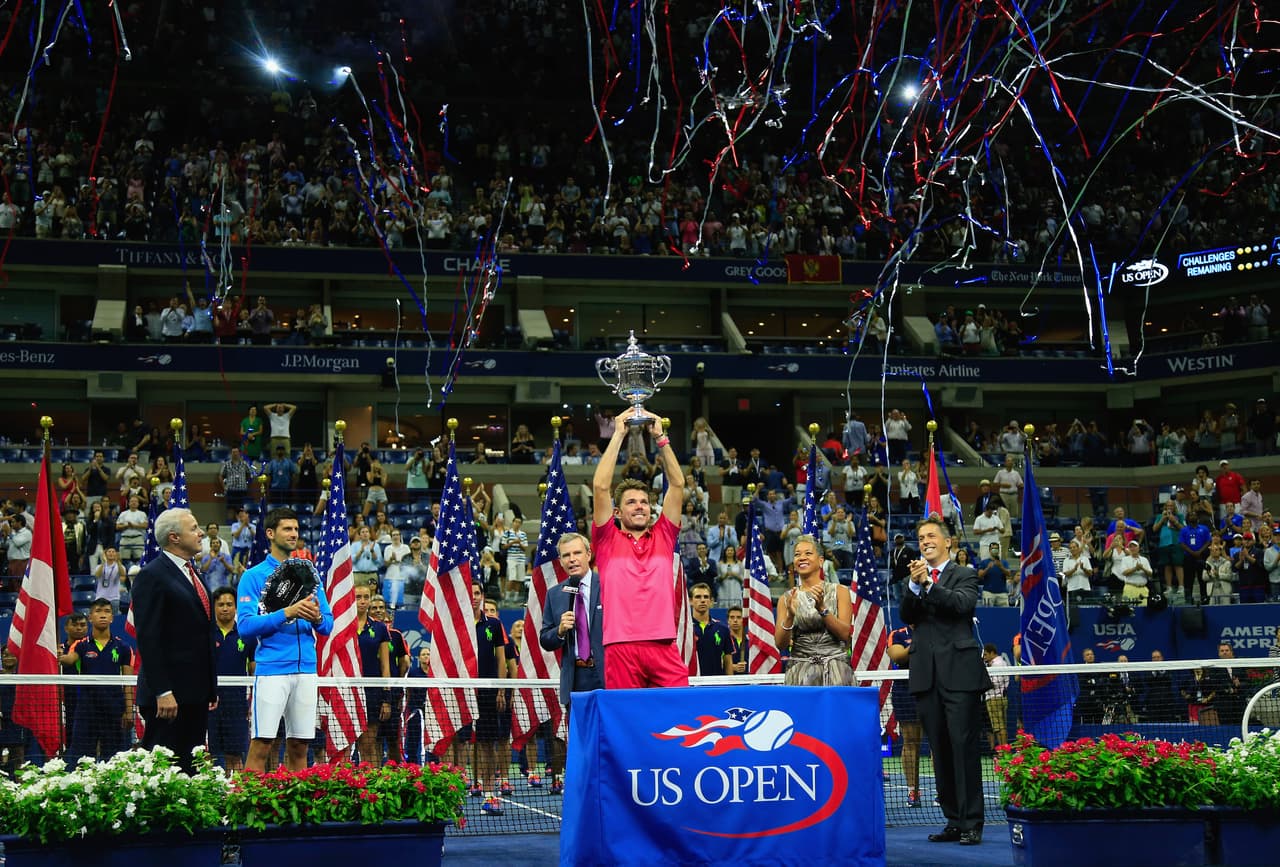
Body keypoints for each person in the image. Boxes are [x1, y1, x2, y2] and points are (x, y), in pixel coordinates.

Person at [901, 517, 991, 846]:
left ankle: (971, 822)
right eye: (921, 537)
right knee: (939, 750)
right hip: (927, 676)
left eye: (931, 536)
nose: (925, 541)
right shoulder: (913, 579)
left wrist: (927, 584)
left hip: (960, 675)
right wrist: (915, 586)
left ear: (947, 542)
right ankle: (953, 820)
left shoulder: (964, 574)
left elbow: (960, 605)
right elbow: (907, 615)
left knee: (963, 747)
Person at [590, 407, 687, 689]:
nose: (640, 506)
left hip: (663, 643)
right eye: (631, 502)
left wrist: (661, 439)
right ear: (617, 512)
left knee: (679, 710)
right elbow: (600, 486)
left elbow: (677, 484)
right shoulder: (606, 539)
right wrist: (618, 434)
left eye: (644, 502)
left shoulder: (664, 535)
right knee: (626, 714)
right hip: (620, 645)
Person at [237, 507, 334, 772]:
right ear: (270, 533)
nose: (294, 534)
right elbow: (245, 627)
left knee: (300, 747)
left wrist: (316, 618)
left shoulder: (309, 575)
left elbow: (327, 624)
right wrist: (287, 612)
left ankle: (296, 800)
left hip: (306, 671)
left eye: (296, 529)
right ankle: (248, 800)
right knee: (262, 745)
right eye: (287, 529)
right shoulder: (253, 576)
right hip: (272, 670)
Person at [130, 507, 216, 773]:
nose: (201, 533)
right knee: (163, 773)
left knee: (190, 770)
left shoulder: (193, 573)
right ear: (174, 537)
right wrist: (163, 691)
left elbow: (201, 635)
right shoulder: (152, 575)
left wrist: (209, 688)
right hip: (168, 700)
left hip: (195, 695)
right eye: (194, 528)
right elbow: (149, 639)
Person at [59, 598, 135, 763]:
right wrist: (59, 655)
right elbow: (69, 660)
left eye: (107, 612)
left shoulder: (123, 647)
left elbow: (128, 682)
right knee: (82, 759)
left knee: (115, 759)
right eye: (98, 611)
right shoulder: (81, 645)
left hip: (114, 709)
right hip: (86, 709)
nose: (103, 615)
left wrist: (129, 712)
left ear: (112, 618)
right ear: (90, 617)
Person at [774, 535, 855, 686]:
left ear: (821, 561)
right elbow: (780, 644)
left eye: (808, 553)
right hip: (800, 674)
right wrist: (790, 616)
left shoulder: (840, 591)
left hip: (836, 673)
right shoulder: (786, 599)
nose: (802, 558)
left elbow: (844, 634)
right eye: (797, 554)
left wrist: (822, 609)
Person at [540, 532, 607, 707]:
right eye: (566, 555)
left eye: (577, 553)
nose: (572, 559)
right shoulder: (554, 594)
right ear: (561, 561)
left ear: (588, 555)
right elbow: (545, 639)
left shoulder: (608, 584)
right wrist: (560, 631)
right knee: (577, 726)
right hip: (575, 679)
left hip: (608, 675)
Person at [209, 586, 256, 771]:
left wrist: (254, 701)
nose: (225, 608)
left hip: (237, 704)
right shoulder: (206, 633)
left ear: (236, 607)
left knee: (235, 755)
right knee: (209, 754)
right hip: (210, 703)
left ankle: (234, 787)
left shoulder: (247, 634)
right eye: (220, 604)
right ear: (214, 607)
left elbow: (253, 669)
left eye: (229, 604)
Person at [353, 583, 392, 763]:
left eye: (366, 597)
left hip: (372, 692)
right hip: (347, 691)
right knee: (343, 745)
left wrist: (386, 698)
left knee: (368, 746)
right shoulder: (342, 625)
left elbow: (385, 667)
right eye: (358, 597)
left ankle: (369, 781)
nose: (362, 601)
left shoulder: (380, 628)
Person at [689, 583, 733, 676]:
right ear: (690, 601)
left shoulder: (723, 629)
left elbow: (728, 660)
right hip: (691, 682)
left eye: (706, 597)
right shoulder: (684, 630)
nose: (702, 600)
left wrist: (730, 682)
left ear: (711, 601)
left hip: (716, 682)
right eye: (698, 597)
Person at [983, 644, 1010, 748]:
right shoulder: (997, 663)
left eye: (986, 654)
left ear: (992, 653)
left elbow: (995, 682)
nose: (984, 657)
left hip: (995, 699)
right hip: (997, 698)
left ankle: (1003, 751)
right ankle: (1003, 750)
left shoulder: (997, 664)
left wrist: (982, 680)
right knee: (1000, 727)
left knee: (999, 727)